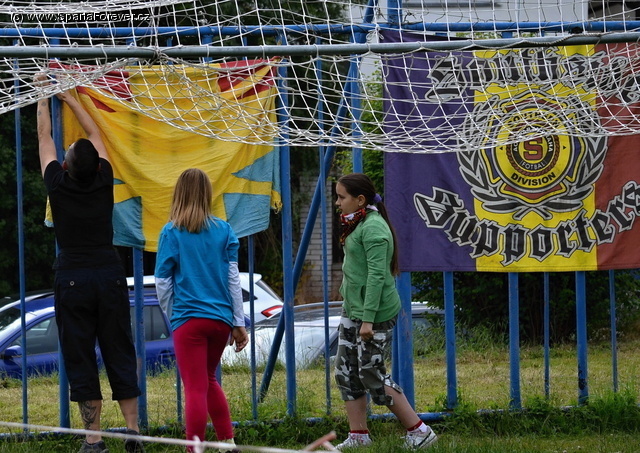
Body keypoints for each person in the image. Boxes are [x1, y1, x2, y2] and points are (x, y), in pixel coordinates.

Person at [36, 80, 145, 453]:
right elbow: (96, 133)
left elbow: (44, 137)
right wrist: (72, 98)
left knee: (79, 353)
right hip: (108, 271)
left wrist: (43, 96)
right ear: (97, 165)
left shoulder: (57, 183)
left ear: (65, 165)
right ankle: (132, 431)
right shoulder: (104, 179)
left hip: (72, 277)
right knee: (119, 347)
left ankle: (94, 439)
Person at [333, 173, 438, 450]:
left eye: (341, 197)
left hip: (374, 315)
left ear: (360, 200)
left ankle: (420, 432)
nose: (337, 202)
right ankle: (359, 436)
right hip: (354, 310)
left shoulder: (374, 228)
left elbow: (377, 277)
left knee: (372, 373)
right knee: (346, 371)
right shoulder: (357, 222)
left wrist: (367, 321)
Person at [154, 168, 249, 452]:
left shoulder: (171, 232)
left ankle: (193, 449)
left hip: (189, 319)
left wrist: (174, 315)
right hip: (220, 320)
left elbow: (162, 282)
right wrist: (238, 322)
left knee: (194, 387)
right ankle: (227, 442)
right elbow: (233, 279)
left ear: (178, 194)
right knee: (208, 380)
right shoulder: (225, 230)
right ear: (208, 194)